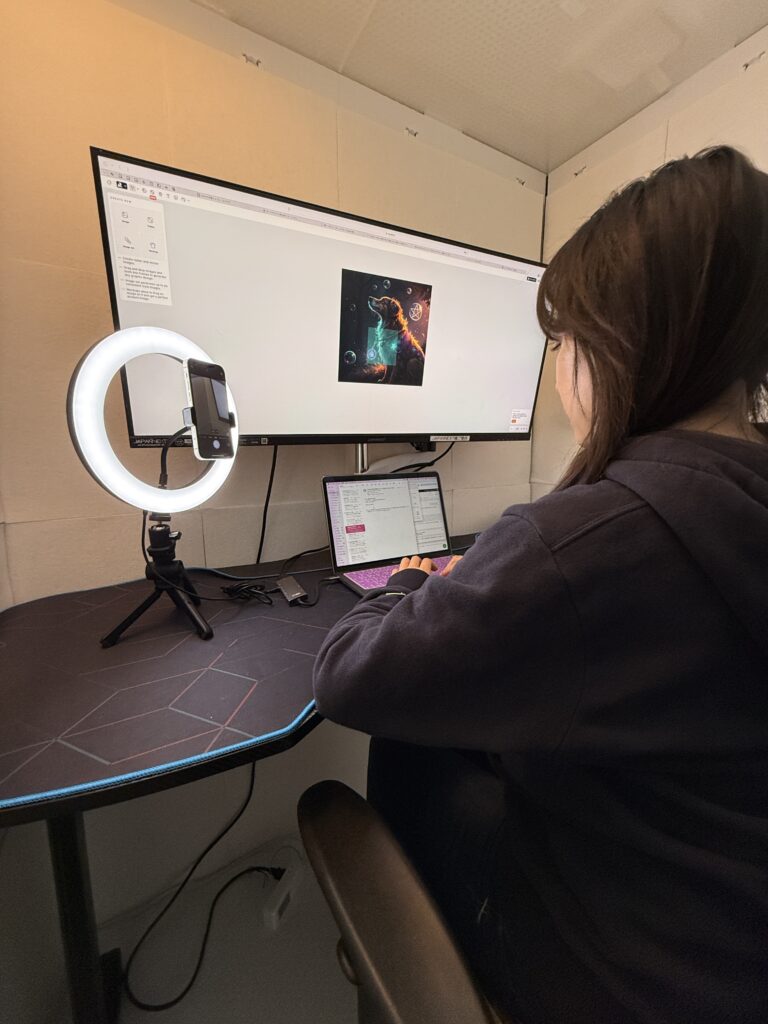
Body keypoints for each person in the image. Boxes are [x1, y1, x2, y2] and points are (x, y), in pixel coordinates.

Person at [312, 146, 768, 1024]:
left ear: (620, 347)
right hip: (728, 942)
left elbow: (348, 675)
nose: (558, 371)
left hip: (623, 976)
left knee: (410, 735)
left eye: (562, 341)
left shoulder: (585, 541)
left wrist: (404, 585)